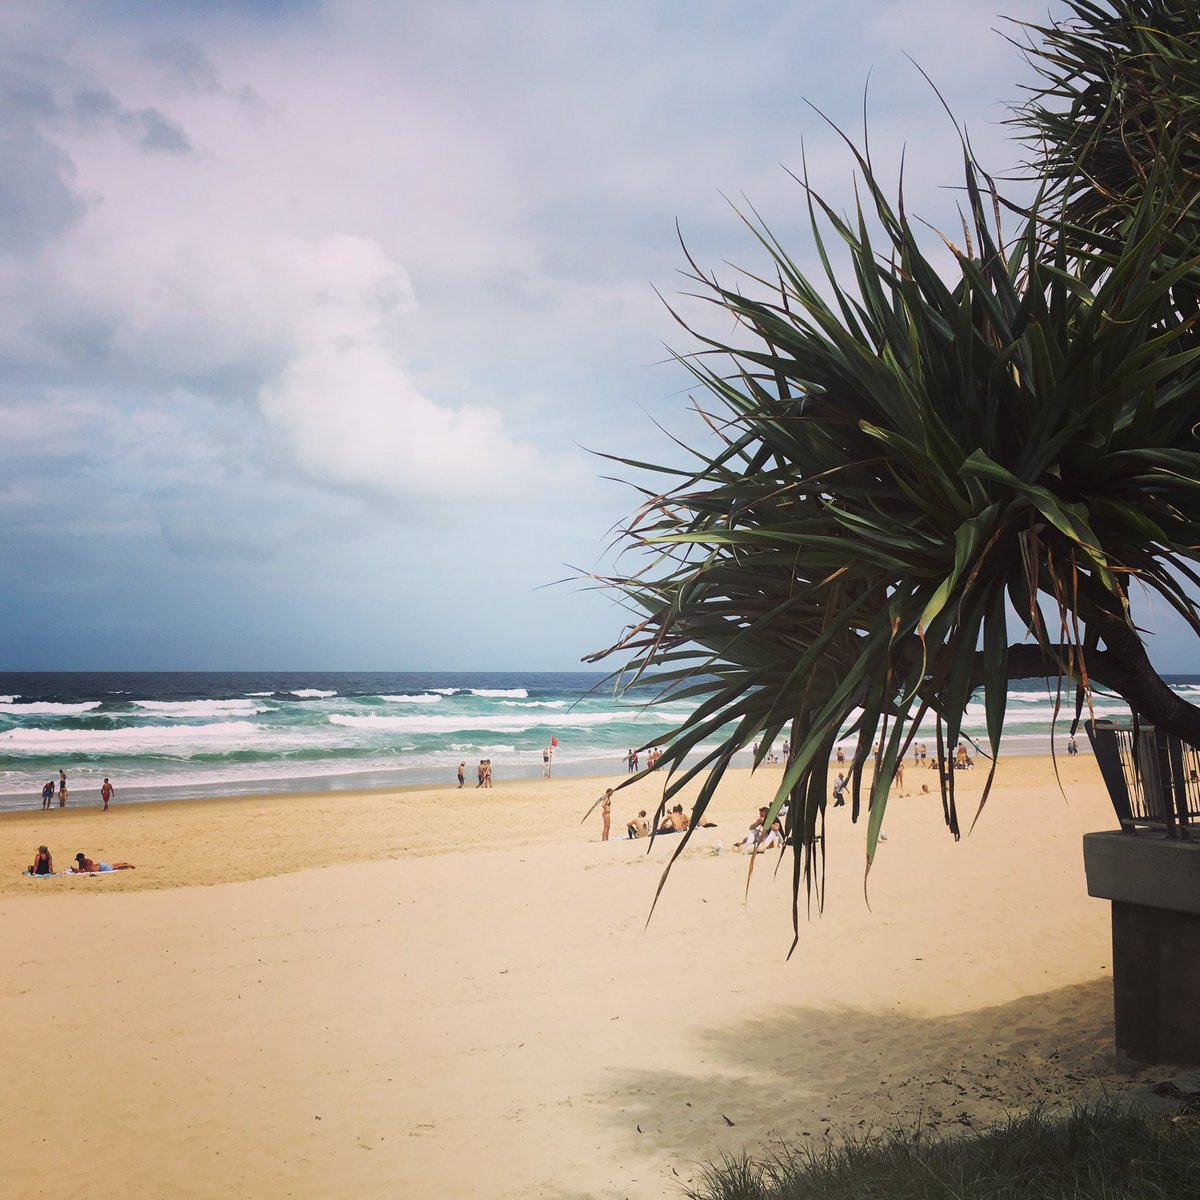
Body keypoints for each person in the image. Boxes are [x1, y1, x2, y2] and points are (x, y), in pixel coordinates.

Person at [70, 853, 135, 873]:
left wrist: (76, 870)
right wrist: (77, 870)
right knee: (111, 866)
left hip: (101, 868)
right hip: (99, 865)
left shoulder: (87, 861)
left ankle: (128, 865)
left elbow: (87, 871)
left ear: (80, 859)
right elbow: (82, 870)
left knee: (114, 868)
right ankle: (123, 863)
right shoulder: (85, 861)